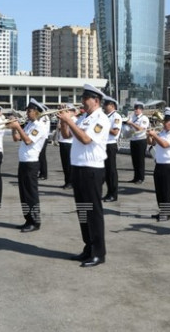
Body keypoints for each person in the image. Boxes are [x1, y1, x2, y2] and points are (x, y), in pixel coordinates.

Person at [57, 84, 110, 268]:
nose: (82, 101)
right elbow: (66, 135)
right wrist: (64, 122)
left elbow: (86, 139)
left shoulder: (101, 119)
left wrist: (70, 120)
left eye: (85, 98)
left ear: (96, 100)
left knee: (93, 212)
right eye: (82, 98)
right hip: (78, 167)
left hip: (92, 169)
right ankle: (88, 247)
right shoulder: (83, 118)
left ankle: (98, 253)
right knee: (83, 211)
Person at [9, 99, 50, 232]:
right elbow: (17, 138)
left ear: (37, 112)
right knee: (24, 194)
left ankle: (35, 222)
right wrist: (13, 128)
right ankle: (28, 219)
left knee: (31, 194)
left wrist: (17, 127)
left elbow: (27, 140)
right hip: (24, 162)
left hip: (31, 163)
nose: (27, 113)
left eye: (30, 111)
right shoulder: (30, 125)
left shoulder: (39, 126)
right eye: (27, 110)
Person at [147, 108, 170, 221]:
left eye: (166, 121)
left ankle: (166, 214)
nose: (164, 123)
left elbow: (165, 145)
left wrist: (155, 135)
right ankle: (161, 211)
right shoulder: (162, 133)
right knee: (159, 190)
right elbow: (152, 143)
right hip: (159, 163)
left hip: (168, 165)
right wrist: (149, 135)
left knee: (166, 190)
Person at [102, 96, 122, 202]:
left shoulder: (116, 116)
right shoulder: (105, 116)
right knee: (106, 171)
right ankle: (109, 192)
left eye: (106, 104)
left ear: (112, 106)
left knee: (111, 170)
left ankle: (113, 194)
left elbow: (115, 132)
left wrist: (104, 126)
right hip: (103, 144)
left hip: (110, 144)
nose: (104, 106)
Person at [125, 102, 150, 184]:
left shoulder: (144, 118)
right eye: (135, 108)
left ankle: (140, 178)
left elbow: (141, 129)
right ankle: (135, 177)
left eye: (137, 109)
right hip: (133, 139)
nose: (136, 110)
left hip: (141, 140)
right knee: (134, 160)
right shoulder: (132, 117)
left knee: (140, 160)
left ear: (141, 110)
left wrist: (131, 123)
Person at [57, 104, 79, 190]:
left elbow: (70, 133)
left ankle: (71, 182)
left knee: (69, 164)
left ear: (73, 112)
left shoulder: (74, 120)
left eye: (68, 111)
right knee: (65, 164)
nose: (66, 112)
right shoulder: (64, 119)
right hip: (63, 141)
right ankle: (67, 181)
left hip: (69, 143)